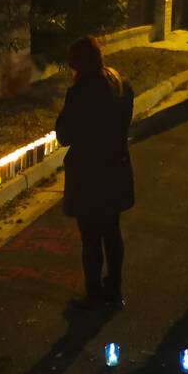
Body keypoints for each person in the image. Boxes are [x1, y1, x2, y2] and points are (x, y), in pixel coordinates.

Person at [55, 36, 135, 309]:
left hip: (88, 174)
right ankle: (115, 290)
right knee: (111, 231)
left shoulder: (80, 92)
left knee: (90, 237)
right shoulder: (121, 85)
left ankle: (93, 293)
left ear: (76, 64)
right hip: (115, 168)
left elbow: (64, 135)